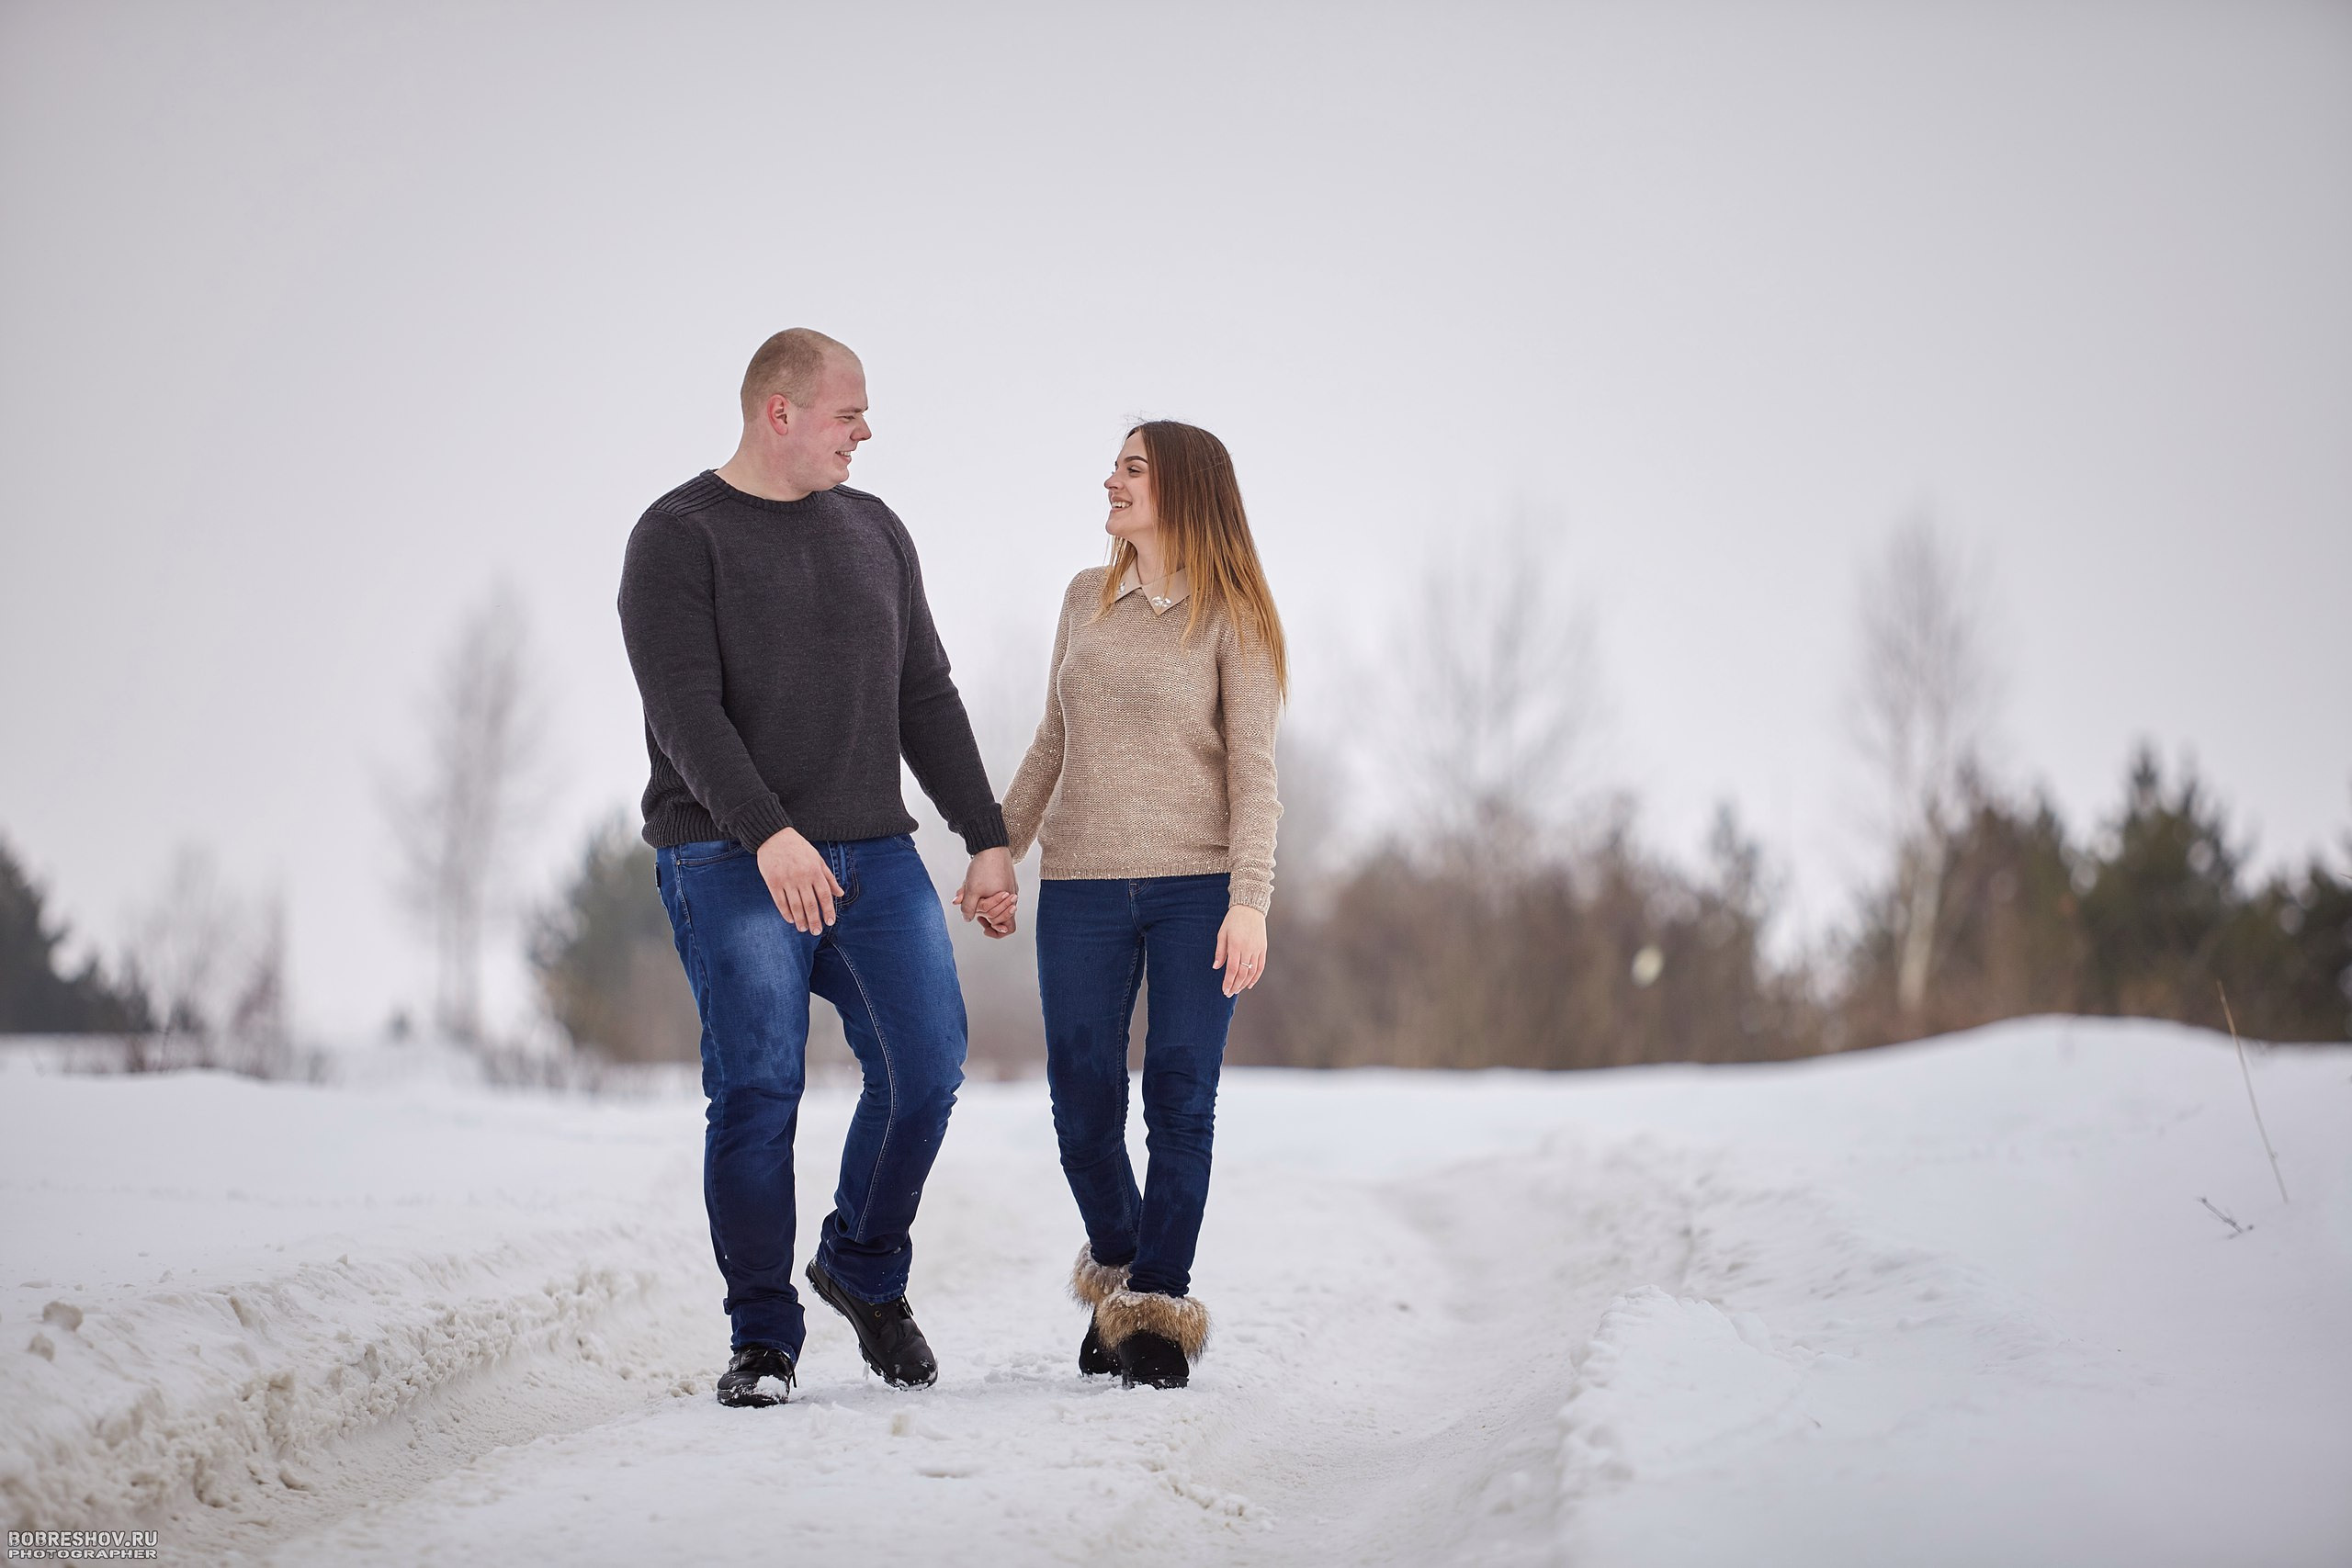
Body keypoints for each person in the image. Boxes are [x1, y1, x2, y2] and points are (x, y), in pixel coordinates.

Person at [617, 328, 1017, 1409]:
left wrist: (984, 834)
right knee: (757, 1087)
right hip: (727, 853)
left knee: (926, 1066)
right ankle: (762, 1338)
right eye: (849, 413)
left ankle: (861, 1263)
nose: (866, 432)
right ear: (778, 413)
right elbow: (682, 709)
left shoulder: (875, 529)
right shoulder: (677, 537)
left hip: (873, 851)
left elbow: (922, 693)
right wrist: (766, 833)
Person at [985, 420, 1285, 1389]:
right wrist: (999, 847)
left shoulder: (1231, 616)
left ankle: (1156, 1305)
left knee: (1180, 1100)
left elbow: (1255, 773)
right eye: (1115, 465)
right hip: (1078, 883)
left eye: (1131, 467)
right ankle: (1119, 1273)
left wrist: (1250, 900)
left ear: (1183, 490)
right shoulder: (1084, 598)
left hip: (1199, 886)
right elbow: (1048, 743)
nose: (1109, 480)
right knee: (1081, 1105)